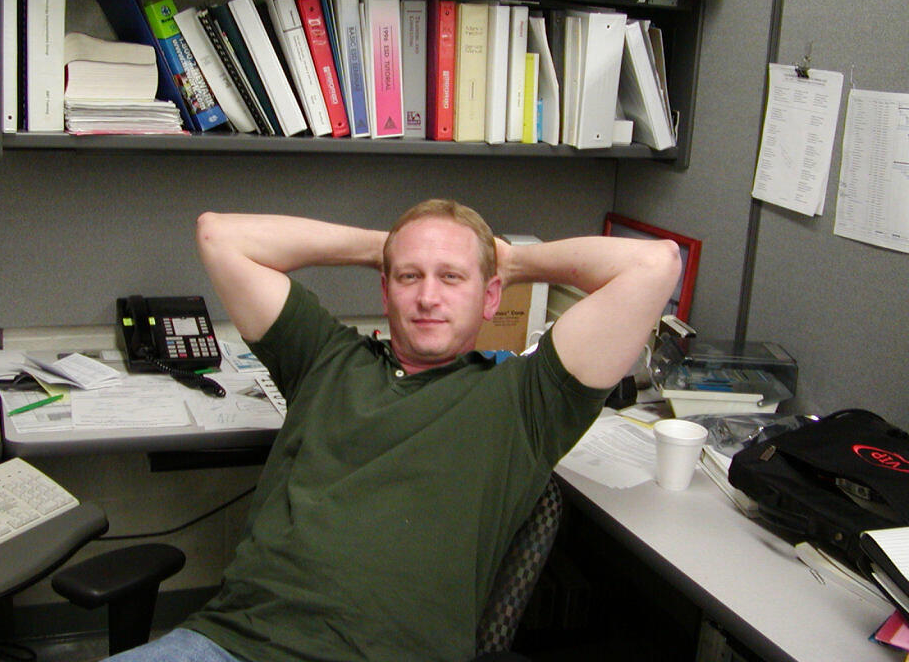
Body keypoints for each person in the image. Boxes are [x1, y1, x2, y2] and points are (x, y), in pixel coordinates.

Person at [107, 199, 680, 662]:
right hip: (232, 645)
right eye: (409, 276)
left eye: (452, 277)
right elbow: (219, 236)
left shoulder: (528, 400)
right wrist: (384, 246)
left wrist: (511, 260)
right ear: (385, 290)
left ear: (490, 297)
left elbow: (655, 264)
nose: (427, 296)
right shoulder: (324, 356)